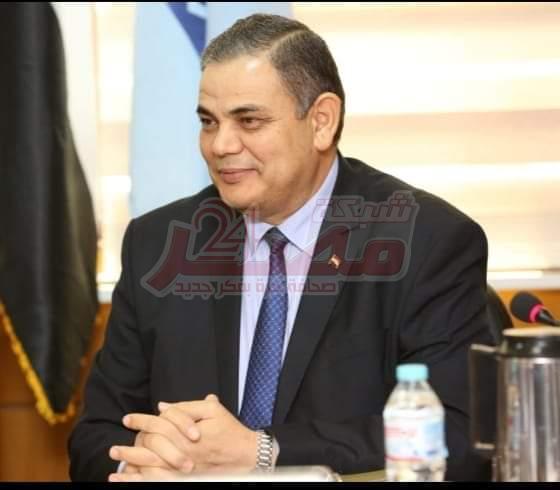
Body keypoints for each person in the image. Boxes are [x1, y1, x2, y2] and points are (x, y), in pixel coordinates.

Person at [68, 14, 493, 481]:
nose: (220, 145)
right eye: (209, 122)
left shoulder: (426, 240)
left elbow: (461, 437)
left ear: (321, 121)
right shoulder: (158, 243)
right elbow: (95, 436)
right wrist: (140, 464)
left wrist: (263, 452)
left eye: (249, 120)